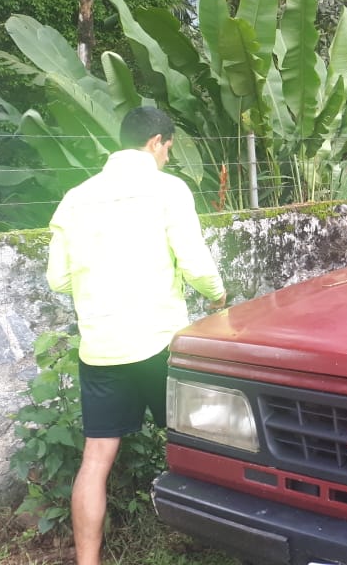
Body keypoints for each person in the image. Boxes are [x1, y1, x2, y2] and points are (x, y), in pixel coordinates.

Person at [46, 106, 227, 565]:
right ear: (157, 142)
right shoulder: (168, 190)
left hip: (101, 348)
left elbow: (58, 280)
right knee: (196, 443)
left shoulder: (75, 197)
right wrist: (218, 296)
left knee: (96, 458)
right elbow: (195, 263)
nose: (168, 156)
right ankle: (206, 543)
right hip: (159, 344)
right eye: (168, 148)